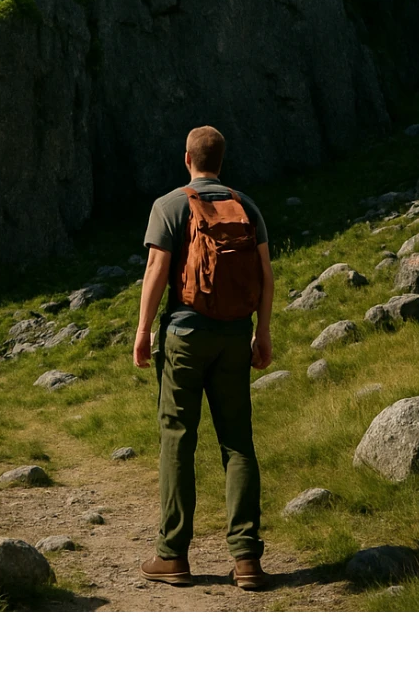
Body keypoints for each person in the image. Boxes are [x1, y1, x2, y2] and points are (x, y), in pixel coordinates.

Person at [133, 124, 274, 590]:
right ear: (221, 160)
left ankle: (172, 555)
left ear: (187, 159)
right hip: (235, 336)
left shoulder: (169, 205)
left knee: (178, 439)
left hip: (185, 335)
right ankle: (247, 559)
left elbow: (157, 268)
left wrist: (142, 331)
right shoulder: (246, 206)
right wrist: (262, 333)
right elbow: (266, 275)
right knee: (238, 443)